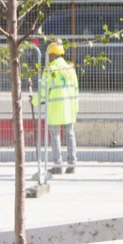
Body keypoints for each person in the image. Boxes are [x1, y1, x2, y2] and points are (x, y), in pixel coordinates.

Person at [38, 39, 79, 172]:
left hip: (55, 109)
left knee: (55, 136)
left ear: (52, 54)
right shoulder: (70, 69)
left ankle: (57, 165)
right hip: (70, 108)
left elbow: (43, 90)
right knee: (70, 134)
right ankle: (72, 164)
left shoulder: (50, 69)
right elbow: (76, 89)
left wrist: (34, 101)